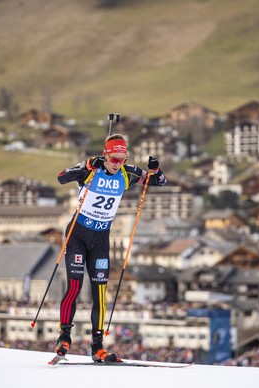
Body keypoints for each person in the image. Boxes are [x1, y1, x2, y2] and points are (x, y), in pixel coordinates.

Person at [54, 133, 167, 362]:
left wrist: (155, 170)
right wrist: (85, 164)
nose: (118, 164)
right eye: (114, 159)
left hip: (100, 240)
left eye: (122, 159)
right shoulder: (91, 170)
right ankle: (64, 336)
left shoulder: (127, 173)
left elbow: (159, 181)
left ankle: (97, 347)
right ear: (105, 156)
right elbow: (61, 178)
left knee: (101, 293)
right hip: (77, 235)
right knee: (75, 287)